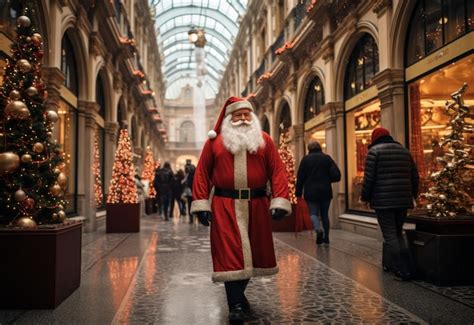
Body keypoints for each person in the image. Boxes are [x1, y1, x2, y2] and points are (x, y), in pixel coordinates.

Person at [191, 96, 291, 322]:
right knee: (230, 254)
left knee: (255, 254)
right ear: (229, 118)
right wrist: (201, 204)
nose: (244, 119)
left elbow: (277, 171)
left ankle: (239, 296)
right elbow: (202, 173)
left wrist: (280, 200)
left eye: (247, 115)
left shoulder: (264, 140)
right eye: (238, 115)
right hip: (224, 206)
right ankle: (235, 304)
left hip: (257, 205)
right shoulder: (214, 144)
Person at [360, 127, 419, 281]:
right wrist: (413, 195)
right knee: (398, 232)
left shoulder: (374, 152)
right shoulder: (404, 151)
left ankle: (402, 270)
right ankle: (408, 267)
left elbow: (369, 179)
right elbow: (415, 176)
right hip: (403, 200)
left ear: (374, 138)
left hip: (383, 201)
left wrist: (365, 197)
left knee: (390, 234)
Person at [295, 140, 341, 245]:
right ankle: (326, 237)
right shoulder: (327, 158)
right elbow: (337, 175)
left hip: (311, 192)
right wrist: (327, 180)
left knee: (313, 213)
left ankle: (318, 229)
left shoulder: (305, 160)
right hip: (325, 191)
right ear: (320, 147)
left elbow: (300, 177)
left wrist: (298, 192)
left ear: (309, 149)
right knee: (325, 215)